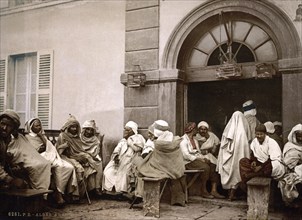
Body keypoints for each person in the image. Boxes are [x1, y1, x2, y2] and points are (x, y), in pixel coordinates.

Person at [24, 118, 79, 205]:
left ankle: (61, 191)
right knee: (55, 167)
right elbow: (29, 150)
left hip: (48, 155)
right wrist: (38, 149)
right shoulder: (27, 137)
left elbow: (50, 147)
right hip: (37, 157)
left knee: (68, 167)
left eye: (40, 125)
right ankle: (57, 195)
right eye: (37, 126)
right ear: (31, 127)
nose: (39, 127)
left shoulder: (42, 136)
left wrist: (42, 138)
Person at [134, 120, 185, 202]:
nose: (149, 135)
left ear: (157, 133)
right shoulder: (174, 140)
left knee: (139, 168)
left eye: (151, 133)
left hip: (162, 169)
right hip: (176, 169)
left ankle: (141, 195)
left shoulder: (159, 143)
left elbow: (157, 160)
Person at [0, 110, 51, 191]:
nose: (4, 128)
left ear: (13, 128)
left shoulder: (6, 139)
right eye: (2, 124)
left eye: (9, 125)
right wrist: (10, 179)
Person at [56, 114, 102, 199]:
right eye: (72, 127)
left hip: (76, 156)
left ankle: (86, 192)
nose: (74, 129)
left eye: (76, 127)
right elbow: (59, 152)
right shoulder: (63, 136)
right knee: (79, 169)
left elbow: (80, 150)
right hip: (65, 157)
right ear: (68, 127)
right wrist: (64, 147)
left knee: (89, 161)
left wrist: (83, 157)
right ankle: (73, 195)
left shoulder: (77, 137)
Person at [180, 122, 224, 199]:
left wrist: (203, 158)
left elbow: (198, 152)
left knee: (212, 164)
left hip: (196, 160)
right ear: (192, 130)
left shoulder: (194, 140)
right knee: (205, 167)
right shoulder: (183, 140)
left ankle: (213, 190)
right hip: (188, 162)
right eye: (195, 129)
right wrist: (199, 159)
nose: (197, 131)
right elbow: (186, 155)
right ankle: (203, 190)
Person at [102, 121, 145, 196]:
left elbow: (137, 149)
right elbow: (117, 149)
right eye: (124, 129)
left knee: (124, 173)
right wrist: (115, 156)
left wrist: (130, 141)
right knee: (108, 171)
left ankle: (122, 192)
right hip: (120, 160)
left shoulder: (138, 138)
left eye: (127, 130)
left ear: (133, 131)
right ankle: (111, 192)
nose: (125, 131)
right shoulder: (123, 141)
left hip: (130, 160)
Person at [216, 111, 252, 201]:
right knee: (236, 175)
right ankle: (232, 194)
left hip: (228, 158)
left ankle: (230, 194)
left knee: (230, 174)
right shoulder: (242, 132)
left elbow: (223, 146)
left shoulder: (227, 130)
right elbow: (246, 147)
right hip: (238, 158)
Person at [278, 124, 302, 207]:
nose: (300, 139)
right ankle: (293, 203)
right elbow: (286, 162)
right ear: (294, 136)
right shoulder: (289, 146)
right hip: (290, 171)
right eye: (299, 136)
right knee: (288, 182)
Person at [80, 119, 103, 195]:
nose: (89, 132)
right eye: (87, 129)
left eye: (91, 130)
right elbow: (78, 150)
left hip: (92, 157)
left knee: (99, 164)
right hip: (81, 157)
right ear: (84, 130)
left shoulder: (95, 139)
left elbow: (96, 151)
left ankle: (97, 187)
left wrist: (92, 156)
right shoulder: (79, 138)